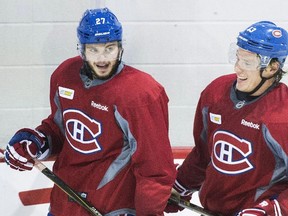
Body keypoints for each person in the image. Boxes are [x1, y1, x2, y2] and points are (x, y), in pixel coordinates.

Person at [4, 8, 176, 216]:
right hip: (63, 204)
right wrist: (38, 141)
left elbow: (155, 168)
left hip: (112, 207)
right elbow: (60, 130)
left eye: (109, 48)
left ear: (120, 48)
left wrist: (148, 214)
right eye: (93, 50)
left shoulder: (140, 94)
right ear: (82, 49)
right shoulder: (64, 75)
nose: (102, 59)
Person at [165, 21, 288, 215]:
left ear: (272, 68)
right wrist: (181, 185)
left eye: (248, 63)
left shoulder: (283, 116)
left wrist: (273, 210)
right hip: (213, 208)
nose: (238, 69)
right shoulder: (215, 93)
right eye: (238, 58)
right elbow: (203, 152)